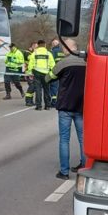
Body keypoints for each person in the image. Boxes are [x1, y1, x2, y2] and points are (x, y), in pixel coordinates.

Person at [46, 38, 86, 180]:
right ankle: (84, 167)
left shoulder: (63, 63)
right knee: (83, 139)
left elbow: (48, 78)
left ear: (67, 48)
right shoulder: (87, 62)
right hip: (81, 106)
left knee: (64, 139)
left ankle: (64, 172)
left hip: (65, 107)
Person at [26, 39, 55, 111]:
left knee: (38, 90)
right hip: (46, 74)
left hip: (37, 73)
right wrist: (52, 74)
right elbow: (53, 65)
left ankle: (39, 106)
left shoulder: (34, 53)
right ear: (45, 45)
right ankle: (47, 106)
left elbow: (30, 64)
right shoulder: (48, 54)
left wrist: (30, 73)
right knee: (46, 90)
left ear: (38, 45)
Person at [49, 38, 65, 107]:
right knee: (61, 87)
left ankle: (54, 102)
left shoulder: (53, 51)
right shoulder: (63, 51)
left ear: (53, 44)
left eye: (52, 44)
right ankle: (61, 101)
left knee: (53, 87)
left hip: (55, 71)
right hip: (63, 71)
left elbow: (51, 62)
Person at [24, 42, 38, 106]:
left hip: (33, 73)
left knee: (33, 87)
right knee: (32, 87)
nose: (37, 49)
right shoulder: (27, 53)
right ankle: (28, 101)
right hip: (29, 73)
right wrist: (35, 52)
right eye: (36, 47)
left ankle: (30, 101)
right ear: (32, 46)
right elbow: (31, 58)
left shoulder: (32, 53)